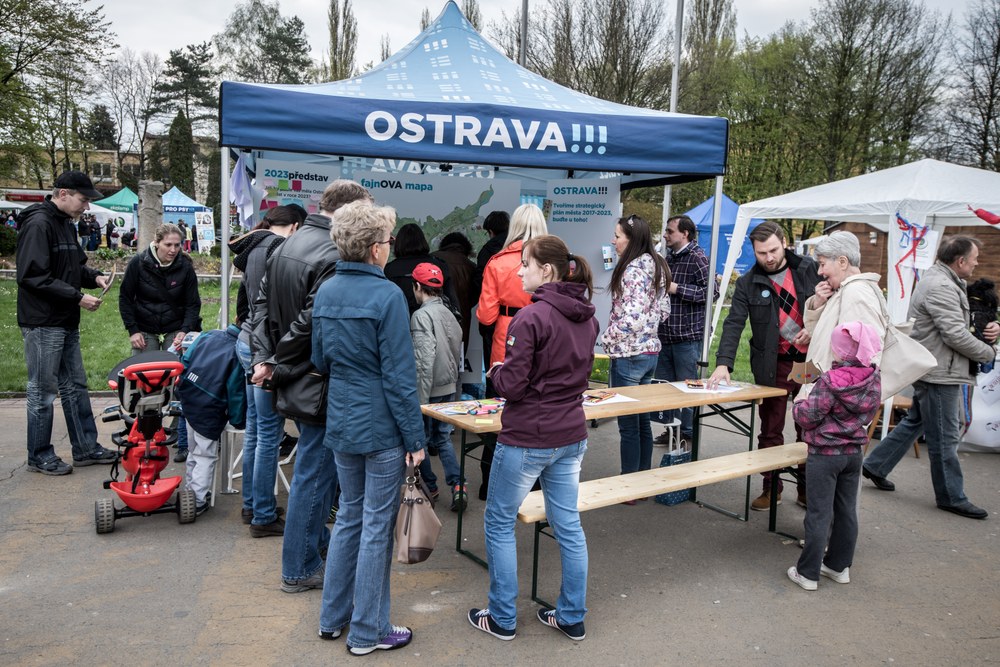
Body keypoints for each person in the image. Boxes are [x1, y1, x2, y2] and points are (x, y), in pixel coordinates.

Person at [468, 234, 599, 642]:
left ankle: (503, 617)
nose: (518, 270)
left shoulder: (532, 317)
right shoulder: (586, 316)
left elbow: (513, 385)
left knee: (499, 522)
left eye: (524, 264)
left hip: (529, 436)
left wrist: (495, 373)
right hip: (570, 433)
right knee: (568, 526)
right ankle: (571, 615)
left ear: (546, 270)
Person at [313, 201, 426, 655]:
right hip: (379, 424)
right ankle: (367, 632)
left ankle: (332, 618)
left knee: (350, 519)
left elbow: (320, 360)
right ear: (375, 248)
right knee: (375, 526)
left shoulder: (326, 291)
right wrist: (415, 439)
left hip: (342, 419)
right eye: (386, 240)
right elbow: (400, 377)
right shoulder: (387, 297)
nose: (389, 247)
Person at [251, 179, 373, 593]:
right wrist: (275, 362)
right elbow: (310, 323)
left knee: (313, 473)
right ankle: (300, 568)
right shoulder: (334, 253)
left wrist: (267, 359)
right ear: (347, 213)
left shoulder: (288, 243)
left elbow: (261, 309)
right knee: (315, 476)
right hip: (316, 380)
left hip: (295, 376)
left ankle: (312, 553)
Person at [863, 237, 999, 519]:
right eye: (973, 259)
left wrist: (992, 326)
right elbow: (956, 334)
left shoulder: (945, 280)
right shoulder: (941, 286)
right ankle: (951, 496)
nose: (976, 264)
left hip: (938, 368)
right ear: (960, 261)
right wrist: (988, 353)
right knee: (946, 435)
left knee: (918, 420)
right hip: (940, 373)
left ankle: (876, 464)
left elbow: (965, 323)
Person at [707, 221, 820, 510]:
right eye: (761, 253)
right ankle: (772, 487)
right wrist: (723, 364)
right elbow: (733, 324)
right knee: (770, 429)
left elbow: (832, 303)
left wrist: (814, 325)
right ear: (753, 252)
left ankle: (807, 487)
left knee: (808, 426)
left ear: (784, 242)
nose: (768, 257)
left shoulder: (810, 268)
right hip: (773, 365)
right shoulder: (747, 283)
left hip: (808, 363)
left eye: (773, 250)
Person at [15, 170, 115, 475]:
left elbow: (75, 264)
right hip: (43, 321)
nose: (86, 207)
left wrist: (94, 277)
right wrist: (77, 297)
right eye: (83, 200)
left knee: (75, 387)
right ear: (63, 194)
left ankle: (85, 448)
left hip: (64, 320)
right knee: (43, 391)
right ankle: (39, 455)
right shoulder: (38, 224)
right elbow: (32, 276)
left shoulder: (64, 225)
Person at [787, 321, 882, 591]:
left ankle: (807, 573)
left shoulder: (829, 381)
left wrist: (797, 406)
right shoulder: (874, 377)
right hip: (854, 453)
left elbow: (808, 416)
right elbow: (868, 412)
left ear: (840, 350)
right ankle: (839, 566)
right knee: (846, 512)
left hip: (825, 454)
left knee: (818, 514)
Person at [228, 205, 301, 537]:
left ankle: (252, 505)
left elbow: (248, 303)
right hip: (264, 350)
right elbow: (271, 306)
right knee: (268, 435)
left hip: (247, 343)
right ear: (295, 226)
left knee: (257, 433)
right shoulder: (275, 247)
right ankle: (263, 515)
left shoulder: (254, 247)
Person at [476, 204, 548, 498]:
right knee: (540, 408)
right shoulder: (551, 261)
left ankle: (490, 482)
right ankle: (535, 482)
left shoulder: (498, 262)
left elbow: (485, 316)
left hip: (507, 338)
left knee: (497, 412)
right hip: (545, 337)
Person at [119, 222, 202, 463]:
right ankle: (144, 429)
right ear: (157, 243)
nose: (174, 249)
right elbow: (125, 298)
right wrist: (133, 330)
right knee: (145, 380)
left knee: (176, 378)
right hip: (145, 327)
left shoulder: (185, 267)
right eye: (168, 244)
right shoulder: (139, 263)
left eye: (178, 245)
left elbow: (192, 303)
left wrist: (184, 331)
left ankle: (177, 428)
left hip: (175, 326)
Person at [602, 214, 671, 482]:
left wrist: (607, 338)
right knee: (641, 420)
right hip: (649, 352)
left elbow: (631, 317)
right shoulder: (657, 265)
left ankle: (629, 482)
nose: (613, 240)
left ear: (631, 240)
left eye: (617, 236)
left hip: (629, 354)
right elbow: (664, 310)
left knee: (629, 425)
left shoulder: (632, 270)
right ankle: (641, 479)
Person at [409, 262, 466, 511]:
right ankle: (458, 484)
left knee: (420, 440)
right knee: (442, 438)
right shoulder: (449, 313)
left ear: (418, 286)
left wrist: (419, 402)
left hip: (428, 389)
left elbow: (423, 361)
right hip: (448, 385)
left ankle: (430, 486)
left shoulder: (421, 315)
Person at [654, 214, 714, 447]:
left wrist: (676, 288)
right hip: (667, 334)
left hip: (688, 337)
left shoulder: (698, 258)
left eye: (670, 231)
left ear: (685, 234)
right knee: (668, 388)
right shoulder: (669, 258)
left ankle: (687, 433)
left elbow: (711, 293)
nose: (666, 235)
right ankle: (671, 430)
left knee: (688, 388)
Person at [175, 325, 247, 515]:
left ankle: (190, 491)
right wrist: (239, 420)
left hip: (189, 395)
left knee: (194, 450)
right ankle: (197, 500)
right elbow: (235, 392)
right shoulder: (238, 352)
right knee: (205, 454)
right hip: (211, 405)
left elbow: (186, 359)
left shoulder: (208, 335)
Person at [383, 223, 459, 316]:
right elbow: (452, 302)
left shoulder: (390, 269)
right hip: (434, 323)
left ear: (398, 244)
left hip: (401, 324)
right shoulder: (438, 265)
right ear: (423, 241)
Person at [432, 231, 481, 356]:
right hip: (461, 322)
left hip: (434, 321)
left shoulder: (432, 259)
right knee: (455, 364)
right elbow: (475, 296)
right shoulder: (471, 267)